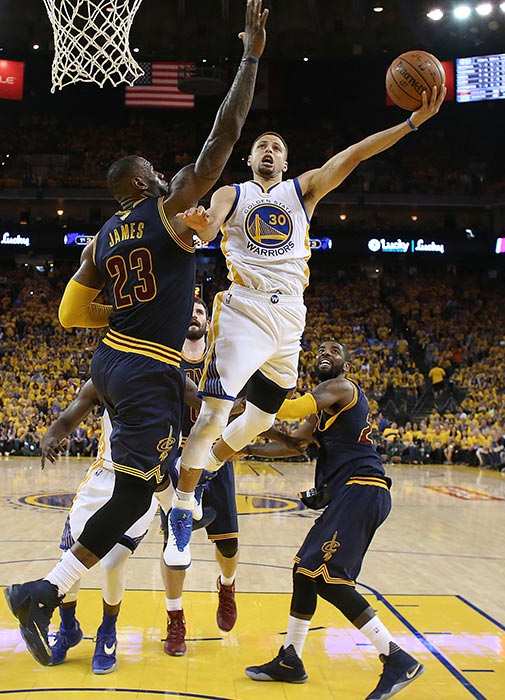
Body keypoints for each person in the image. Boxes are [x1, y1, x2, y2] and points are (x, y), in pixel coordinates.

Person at [5, 0, 268, 667]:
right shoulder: (169, 203)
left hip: (112, 365)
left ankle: (48, 590)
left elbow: (70, 313)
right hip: (148, 366)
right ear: (146, 182)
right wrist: (252, 56)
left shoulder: (101, 237)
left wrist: (117, 321)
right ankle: (42, 590)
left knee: (135, 490)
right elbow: (223, 134)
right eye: (155, 170)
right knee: (133, 493)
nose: (163, 172)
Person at [165, 84, 447, 568]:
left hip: (291, 316)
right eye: (261, 147)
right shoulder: (234, 192)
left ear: (286, 161)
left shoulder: (305, 189)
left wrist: (411, 122)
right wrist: (198, 223)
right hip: (245, 309)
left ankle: (208, 467)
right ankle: (183, 509)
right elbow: (209, 229)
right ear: (251, 160)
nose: (268, 151)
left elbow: (357, 153)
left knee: (263, 418)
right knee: (215, 412)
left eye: (276, 147)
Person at [240, 341, 424, 699]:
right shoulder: (320, 412)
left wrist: (251, 382)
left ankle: (397, 658)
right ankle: (291, 659)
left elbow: (289, 407)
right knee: (304, 572)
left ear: (344, 364)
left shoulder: (341, 388)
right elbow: (294, 444)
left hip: (363, 487)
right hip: (349, 494)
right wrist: (246, 446)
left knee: (329, 578)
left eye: (334, 350)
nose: (326, 352)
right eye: (320, 349)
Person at [38, 379, 178, 674]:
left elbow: (204, 409)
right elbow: (69, 416)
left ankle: (108, 632)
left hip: (142, 481)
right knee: (70, 556)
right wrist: (52, 434)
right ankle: (68, 627)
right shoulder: (106, 373)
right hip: (103, 475)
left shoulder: (169, 376)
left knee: (113, 564)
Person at [161, 296, 241, 655]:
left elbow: (244, 405)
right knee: (174, 545)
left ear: (209, 322)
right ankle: (175, 618)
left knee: (228, 543)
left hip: (214, 459)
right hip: (176, 461)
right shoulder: (164, 358)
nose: (193, 315)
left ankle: (227, 586)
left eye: (199, 312)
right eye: (187, 311)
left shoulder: (224, 358)